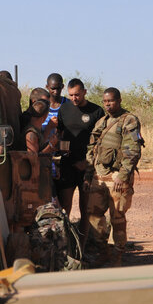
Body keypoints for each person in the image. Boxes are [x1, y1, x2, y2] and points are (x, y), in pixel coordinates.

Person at [86, 87, 143, 267]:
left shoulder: (129, 120)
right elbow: (91, 147)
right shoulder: (102, 121)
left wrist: (123, 175)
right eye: (105, 101)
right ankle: (103, 252)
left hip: (118, 177)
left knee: (117, 218)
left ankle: (117, 256)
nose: (107, 104)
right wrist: (90, 171)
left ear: (119, 100)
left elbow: (133, 150)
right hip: (100, 177)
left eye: (110, 101)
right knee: (94, 215)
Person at [57, 78, 105, 221]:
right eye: (71, 95)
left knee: (86, 209)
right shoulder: (64, 108)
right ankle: (66, 242)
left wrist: (88, 162)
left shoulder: (96, 111)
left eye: (77, 94)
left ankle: (83, 243)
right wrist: (61, 148)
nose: (74, 98)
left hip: (87, 166)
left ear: (84, 92)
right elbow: (60, 133)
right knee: (64, 207)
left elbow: (101, 141)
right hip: (67, 165)